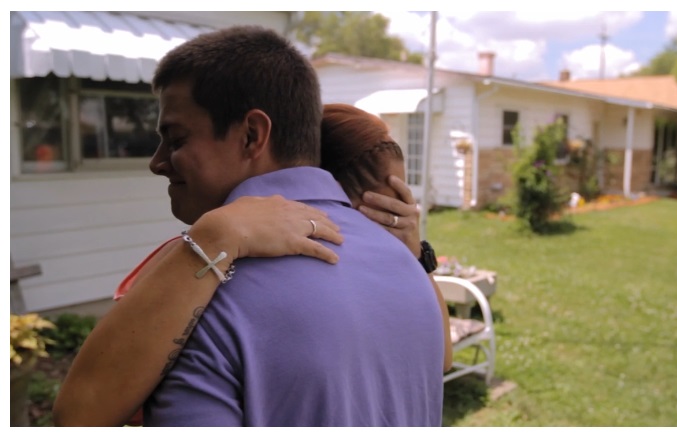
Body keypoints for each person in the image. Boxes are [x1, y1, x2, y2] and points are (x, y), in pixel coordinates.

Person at [56, 25, 444, 427]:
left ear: (251, 136)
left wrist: (206, 245)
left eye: (175, 139)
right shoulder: (408, 267)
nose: (157, 162)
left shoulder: (199, 295)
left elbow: (77, 418)